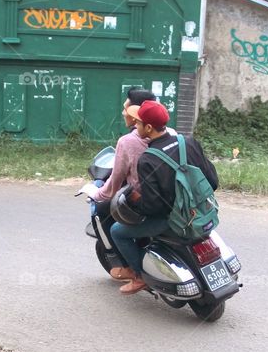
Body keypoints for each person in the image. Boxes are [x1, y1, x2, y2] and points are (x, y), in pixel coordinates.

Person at [109, 100, 219, 295]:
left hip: (174, 221)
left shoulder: (149, 159)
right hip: (202, 213)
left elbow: (153, 207)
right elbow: (213, 181)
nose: (136, 126)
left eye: (139, 123)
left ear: (149, 127)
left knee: (117, 231)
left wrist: (136, 200)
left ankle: (140, 275)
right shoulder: (189, 143)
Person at [81, 88, 175, 282]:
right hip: (173, 196)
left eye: (127, 108)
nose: (124, 112)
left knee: (106, 215)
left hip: (149, 204)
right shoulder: (172, 135)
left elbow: (114, 183)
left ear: (138, 115)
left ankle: (134, 271)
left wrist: (96, 193)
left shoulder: (128, 141)